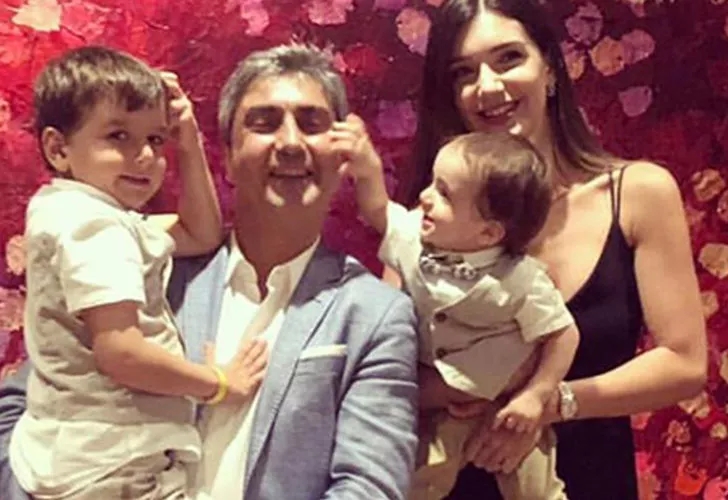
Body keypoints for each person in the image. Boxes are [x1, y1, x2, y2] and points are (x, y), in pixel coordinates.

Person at [0, 43, 419, 500]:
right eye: (264, 123)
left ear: (341, 158)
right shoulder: (146, 264)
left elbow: (369, 488)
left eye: (312, 123)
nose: (291, 143)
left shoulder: (375, 315)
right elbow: (35, 393)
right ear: (229, 156)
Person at [403, 1, 707, 499]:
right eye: (464, 72)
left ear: (548, 68)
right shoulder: (426, 221)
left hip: (592, 483)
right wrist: (465, 385)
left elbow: (684, 364)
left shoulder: (637, 193)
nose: (488, 87)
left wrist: (550, 401)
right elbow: (388, 370)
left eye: (508, 58)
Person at [8, 46, 269, 500]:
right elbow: (121, 352)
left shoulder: (73, 209)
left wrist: (187, 142)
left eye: (156, 139)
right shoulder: (95, 228)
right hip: (110, 462)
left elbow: (200, 233)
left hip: (82, 456)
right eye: (118, 136)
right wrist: (219, 383)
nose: (144, 155)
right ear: (58, 148)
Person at [338, 126, 578, 499]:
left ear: (488, 234)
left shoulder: (521, 279)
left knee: (536, 488)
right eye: (432, 184)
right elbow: (379, 210)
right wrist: (368, 169)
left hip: (506, 405)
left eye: (444, 194)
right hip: (439, 406)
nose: (425, 197)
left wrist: (535, 395)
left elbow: (563, 334)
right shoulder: (414, 239)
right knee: (418, 477)